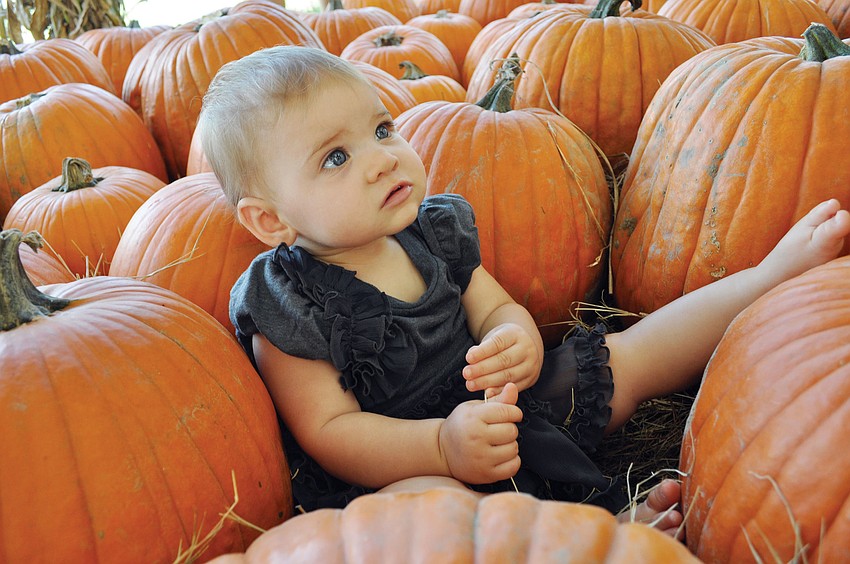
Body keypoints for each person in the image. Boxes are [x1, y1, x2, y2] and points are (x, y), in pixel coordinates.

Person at [196, 45, 850, 536]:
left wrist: (515, 342)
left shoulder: (433, 234)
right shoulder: (289, 300)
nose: (382, 158)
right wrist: (440, 449)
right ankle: (603, 538)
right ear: (270, 220)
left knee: (626, 355)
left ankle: (764, 281)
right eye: (335, 158)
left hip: (507, 411)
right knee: (436, 519)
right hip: (409, 459)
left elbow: (498, 310)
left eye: (383, 128)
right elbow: (329, 430)